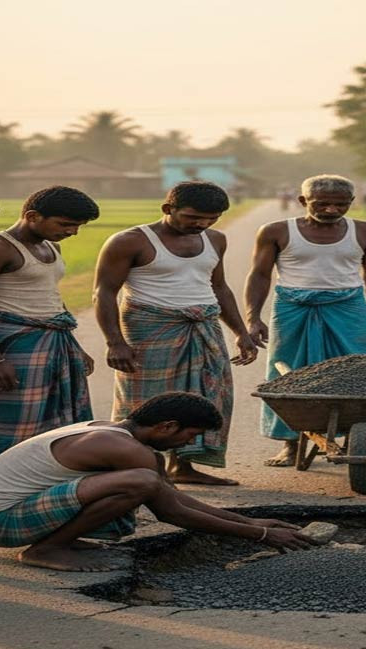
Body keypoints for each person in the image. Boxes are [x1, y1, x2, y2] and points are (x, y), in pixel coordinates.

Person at [0, 392, 313, 571]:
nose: (187, 446)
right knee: (141, 482)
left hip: (3, 512)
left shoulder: (113, 431)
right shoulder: (128, 450)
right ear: (166, 426)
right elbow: (171, 512)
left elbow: (171, 496)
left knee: (146, 481)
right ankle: (46, 549)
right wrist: (261, 535)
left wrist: (250, 521)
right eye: (189, 436)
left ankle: (57, 541)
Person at [94, 181, 257, 487]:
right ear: (168, 209)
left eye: (212, 218)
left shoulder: (216, 240)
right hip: (150, 327)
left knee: (203, 397)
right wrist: (115, 342)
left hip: (204, 327)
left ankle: (183, 466)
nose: (202, 224)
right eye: (193, 217)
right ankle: (137, 468)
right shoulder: (130, 241)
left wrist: (241, 331)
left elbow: (218, 287)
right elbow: (104, 292)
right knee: (145, 402)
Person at [245, 173, 366, 466]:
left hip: (348, 306)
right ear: (303, 201)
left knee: (359, 371)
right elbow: (260, 275)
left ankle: (364, 440)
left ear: (352, 202)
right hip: (292, 307)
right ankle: (291, 443)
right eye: (322, 204)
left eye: (341, 204)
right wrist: (253, 317)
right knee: (289, 374)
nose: (332, 210)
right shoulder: (276, 231)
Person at [0, 186, 99, 461]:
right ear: (33, 216)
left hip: (52, 341)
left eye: (78, 226)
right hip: (9, 345)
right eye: (66, 224)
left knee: (53, 427)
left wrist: (75, 348)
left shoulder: (51, 246)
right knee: (3, 425)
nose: (72, 232)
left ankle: (28, 493)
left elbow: (51, 296)